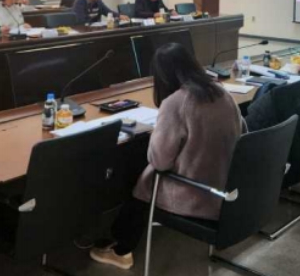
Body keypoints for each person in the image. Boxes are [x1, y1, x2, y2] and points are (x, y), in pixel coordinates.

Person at [89, 42, 243, 270]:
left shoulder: (176, 102)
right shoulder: (222, 92)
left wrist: (157, 135)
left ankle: (122, 250)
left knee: (139, 172)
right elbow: (243, 131)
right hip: (224, 184)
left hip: (195, 192)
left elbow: (160, 162)